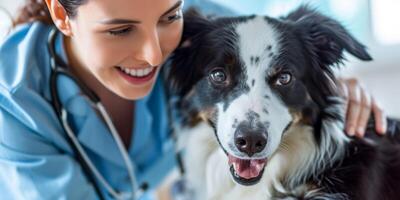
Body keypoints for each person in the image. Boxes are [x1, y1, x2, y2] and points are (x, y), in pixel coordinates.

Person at [0, 0, 387, 199]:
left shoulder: (192, 20)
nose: (155, 54)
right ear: (61, 15)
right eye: (120, 30)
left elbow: (270, 45)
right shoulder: (13, 103)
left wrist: (334, 81)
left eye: (168, 16)